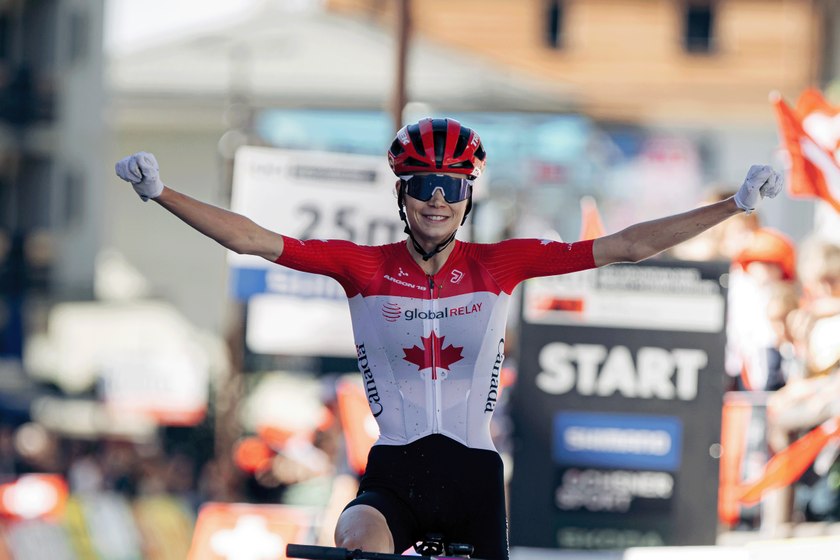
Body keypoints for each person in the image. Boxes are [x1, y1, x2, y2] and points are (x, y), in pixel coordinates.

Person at [115, 118, 783, 560]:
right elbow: (251, 238)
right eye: (423, 187)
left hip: (472, 476)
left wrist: (733, 207)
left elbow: (628, 245)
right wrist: (162, 192)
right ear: (402, 194)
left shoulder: (500, 265)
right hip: (397, 472)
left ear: (468, 196)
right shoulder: (363, 267)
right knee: (356, 540)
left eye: (452, 187)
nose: (437, 199)